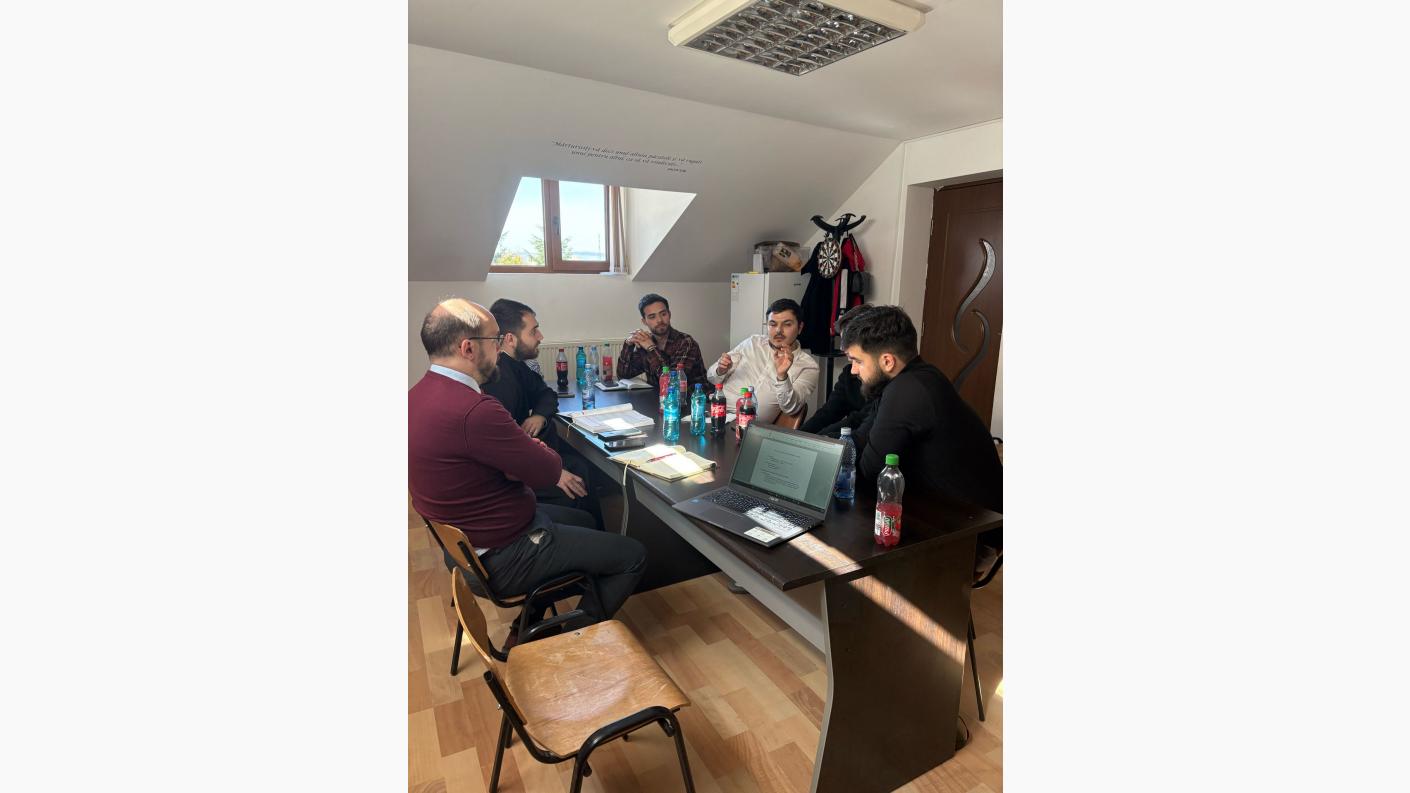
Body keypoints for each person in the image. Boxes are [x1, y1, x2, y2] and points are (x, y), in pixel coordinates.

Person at [409, 298, 646, 633]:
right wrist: (533, 449)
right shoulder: (475, 409)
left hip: (467, 549)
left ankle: (529, 622)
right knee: (633, 555)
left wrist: (525, 451)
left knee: (585, 520)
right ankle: (567, 639)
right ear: (468, 348)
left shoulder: (415, 396)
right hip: (503, 554)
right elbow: (546, 469)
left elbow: (515, 462)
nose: (499, 348)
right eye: (494, 340)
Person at [838, 304, 1003, 569]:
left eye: (858, 361)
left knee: (846, 539)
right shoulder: (912, 378)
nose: (854, 371)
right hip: (952, 518)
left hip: (972, 538)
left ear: (887, 361)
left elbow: (869, 472)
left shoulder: (909, 391)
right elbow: (859, 439)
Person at [482, 298, 604, 530]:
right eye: (533, 331)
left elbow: (546, 394)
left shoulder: (516, 365)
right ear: (510, 339)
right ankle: (588, 533)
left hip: (529, 457)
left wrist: (538, 415)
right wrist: (555, 473)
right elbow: (507, 451)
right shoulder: (500, 379)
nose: (540, 336)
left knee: (579, 465)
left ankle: (598, 535)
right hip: (511, 476)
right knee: (576, 478)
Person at [707, 298, 819, 424]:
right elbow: (712, 378)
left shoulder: (808, 366)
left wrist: (782, 377)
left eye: (787, 324)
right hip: (714, 413)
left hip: (750, 428)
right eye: (773, 324)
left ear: (800, 328)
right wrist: (720, 370)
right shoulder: (753, 343)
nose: (778, 330)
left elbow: (791, 408)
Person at [616, 293, 707, 389]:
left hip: (693, 397)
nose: (659, 320)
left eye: (663, 314)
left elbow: (673, 384)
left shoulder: (686, 342)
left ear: (669, 314)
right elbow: (623, 375)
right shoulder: (646, 342)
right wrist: (628, 345)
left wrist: (651, 348)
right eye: (652, 317)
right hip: (658, 396)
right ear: (644, 321)